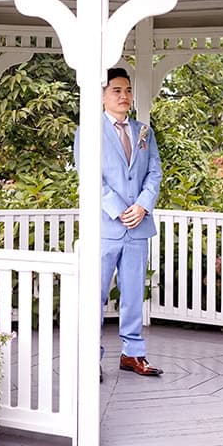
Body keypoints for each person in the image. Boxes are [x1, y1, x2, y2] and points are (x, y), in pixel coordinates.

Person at [74, 67, 163, 379]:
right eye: (116, 90)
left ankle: (133, 354)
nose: (124, 96)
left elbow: (154, 172)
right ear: (102, 95)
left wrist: (142, 205)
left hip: (138, 227)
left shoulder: (143, 132)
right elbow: (90, 177)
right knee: (95, 294)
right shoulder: (88, 131)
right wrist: (119, 209)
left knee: (133, 293)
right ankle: (90, 357)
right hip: (105, 227)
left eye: (127, 90)